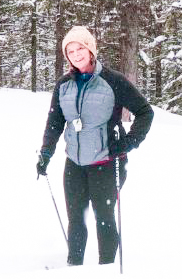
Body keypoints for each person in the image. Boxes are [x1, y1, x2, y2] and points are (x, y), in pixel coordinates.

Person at [37, 26, 153, 265]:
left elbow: (145, 112)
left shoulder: (113, 81)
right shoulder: (63, 85)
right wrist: (46, 153)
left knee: (104, 218)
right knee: (76, 219)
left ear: (90, 50)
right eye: (70, 51)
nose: (76, 54)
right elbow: (55, 122)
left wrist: (128, 143)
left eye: (80, 48)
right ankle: (74, 267)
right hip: (75, 163)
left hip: (107, 163)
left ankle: (107, 271)